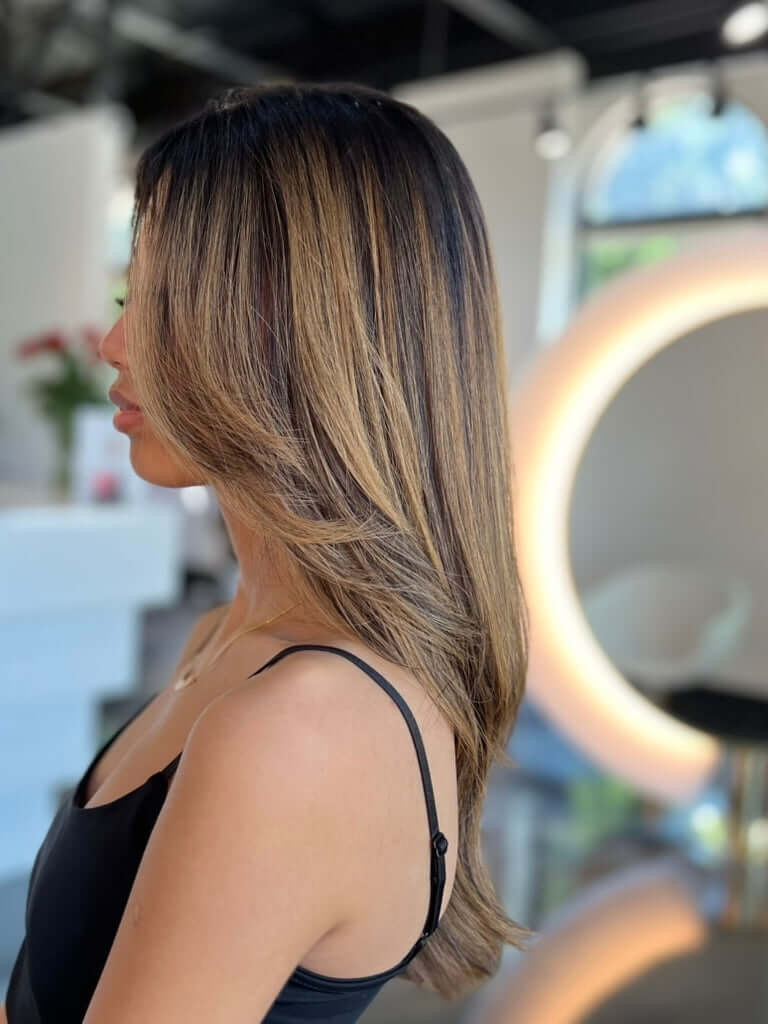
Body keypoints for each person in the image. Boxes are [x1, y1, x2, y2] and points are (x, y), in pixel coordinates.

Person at [3, 81, 534, 1024]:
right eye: (132, 295)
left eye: (163, 301)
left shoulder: (302, 729)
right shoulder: (229, 638)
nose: (117, 342)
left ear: (295, 338)